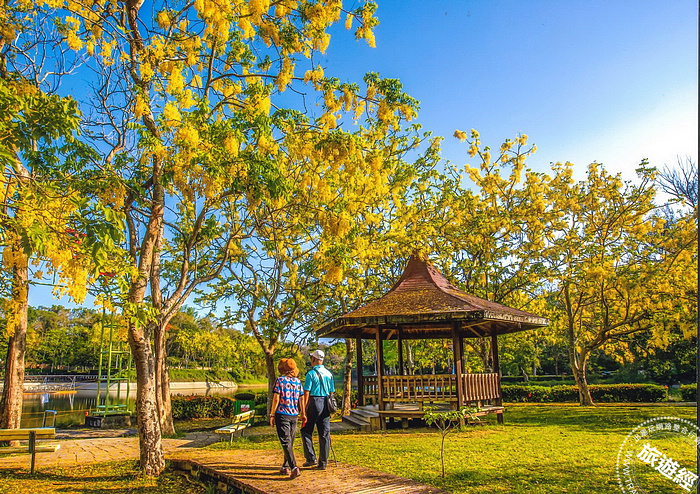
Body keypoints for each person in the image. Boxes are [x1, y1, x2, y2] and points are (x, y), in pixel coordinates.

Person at [269, 358, 305, 479]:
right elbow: (301, 398)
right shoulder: (298, 382)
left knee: (286, 441)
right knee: (289, 441)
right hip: (294, 414)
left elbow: (276, 398)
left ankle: (294, 467)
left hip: (282, 413)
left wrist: (272, 414)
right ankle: (285, 466)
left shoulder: (280, 380)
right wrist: (303, 413)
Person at [301, 349, 334, 470]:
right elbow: (331, 392)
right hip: (326, 402)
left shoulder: (310, 374)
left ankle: (311, 458)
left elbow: (306, 393)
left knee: (306, 430)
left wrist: (303, 410)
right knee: (324, 433)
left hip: (314, 402)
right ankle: (323, 462)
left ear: (314, 359)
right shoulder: (329, 374)